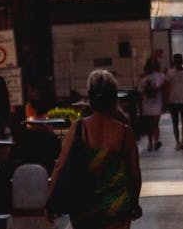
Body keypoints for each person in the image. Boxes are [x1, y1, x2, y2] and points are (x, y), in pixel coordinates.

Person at [48, 69, 141, 229]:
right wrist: (134, 203)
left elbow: (60, 166)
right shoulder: (125, 132)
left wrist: (49, 202)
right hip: (116, 209)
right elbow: (134, 174)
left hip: (84, 208)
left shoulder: (79, 128)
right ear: (113, 98)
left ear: (90, 98)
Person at [162, 53, 183, 149]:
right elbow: (166, 86)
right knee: (175, 122)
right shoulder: (170, 73)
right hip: (173, 101)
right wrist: (167, 98)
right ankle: (177, 141)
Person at [136, 59, 165, 151]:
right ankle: (150, 142)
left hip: (155, 102)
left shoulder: (160, 76)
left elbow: (164, 85)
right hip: (147, 103)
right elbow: (140, 92)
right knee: (150, 124)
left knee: (155, 123)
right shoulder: (144, 79)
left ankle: (155, 141)